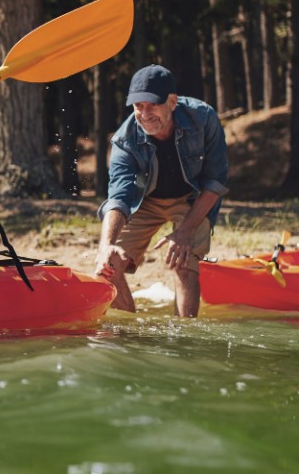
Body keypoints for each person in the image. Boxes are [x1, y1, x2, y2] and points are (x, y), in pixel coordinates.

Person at [94, 64, 229, 317]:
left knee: (183, 262)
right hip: (143, 202)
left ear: (172, 102)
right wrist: (105, 246)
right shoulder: (125, 140)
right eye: (138, 106)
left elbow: (215, 181)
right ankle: (132, 340)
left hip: (191, 199)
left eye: (152, 105)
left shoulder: (204, 118)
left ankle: (185, 339)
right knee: (108, 266)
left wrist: (185, 231)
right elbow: (119, 197)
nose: (144, 114)